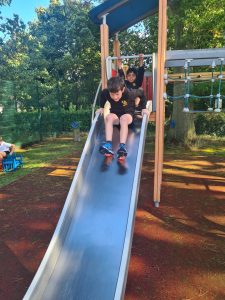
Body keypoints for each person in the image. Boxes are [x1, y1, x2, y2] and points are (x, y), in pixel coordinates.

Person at [96, 76, 136, 159]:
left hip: (127, 116)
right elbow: (103, 95)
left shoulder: (129, 93)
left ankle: (122, 147)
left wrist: (143, 108)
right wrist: (101, 107)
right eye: (112, 94)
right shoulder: (106, 92)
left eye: (117, 94)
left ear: (123, 90)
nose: (115, 97)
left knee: (123, 119)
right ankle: (108, 145)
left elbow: (142, 94)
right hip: (116, 116)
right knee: (109, 117)